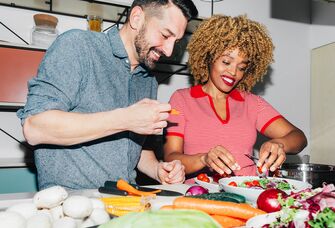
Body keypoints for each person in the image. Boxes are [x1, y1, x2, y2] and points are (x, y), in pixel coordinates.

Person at [17, 0, 198, 190]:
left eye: (175, 42)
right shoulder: (79, 46)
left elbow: (136, 148)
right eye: (165, 35)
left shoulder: (147, 80)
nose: (169, 51)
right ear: (136, 18)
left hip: (127, 201)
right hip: (71, 203)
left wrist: (158, 169)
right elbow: (34, 127)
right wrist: (125, 118)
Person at [164, 15, 307, 181]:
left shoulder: (252, 103)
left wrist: (280, 144)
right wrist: (204, 159)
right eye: (226, 62)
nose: (233, 73)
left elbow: (299, 137)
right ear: (209, 57)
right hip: (199, 195)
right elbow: (170, 157)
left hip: (248, 194)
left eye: (241, 67)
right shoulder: (182, 99)